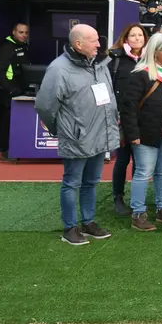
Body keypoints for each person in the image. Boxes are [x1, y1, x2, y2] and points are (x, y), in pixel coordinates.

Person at [35, 25, 119, 246]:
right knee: (72, 182)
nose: (99, 44)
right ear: (78, 44)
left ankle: (88, 222)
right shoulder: (59, 69)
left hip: (100, 133)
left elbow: (108, 95)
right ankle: (70, 228)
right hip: (77, 136)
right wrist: (61, 129)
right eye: (93, 40)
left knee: (91, 182)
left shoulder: (100, 64)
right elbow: (45, 106)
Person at [120, 33, 162, 231]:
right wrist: (133, 135)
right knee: (143, 172)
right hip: (146, 133)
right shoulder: (141, 74)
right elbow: (128, 108)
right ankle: (138, 214)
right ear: (155, 52)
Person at [108, 24, 148, 214]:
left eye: (140, 35)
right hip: (122, 119)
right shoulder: (116, 60)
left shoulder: (150, 60)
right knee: (123, 159)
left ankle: (136, 198)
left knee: (140, 161)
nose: (137, 38)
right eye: (133, 35)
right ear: (126, 38)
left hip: (144, 120)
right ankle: (118, 197)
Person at [0, 22, 30, 157]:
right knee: (7, 121)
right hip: (9, 92)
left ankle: (18, 148)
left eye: (26, 32)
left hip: (20, 90)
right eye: (21, 32)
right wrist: (9, 89)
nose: (24, 35)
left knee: (19, 120)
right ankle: (5, 150)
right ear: (13, 32)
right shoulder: (7, 47)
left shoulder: (23, 46)